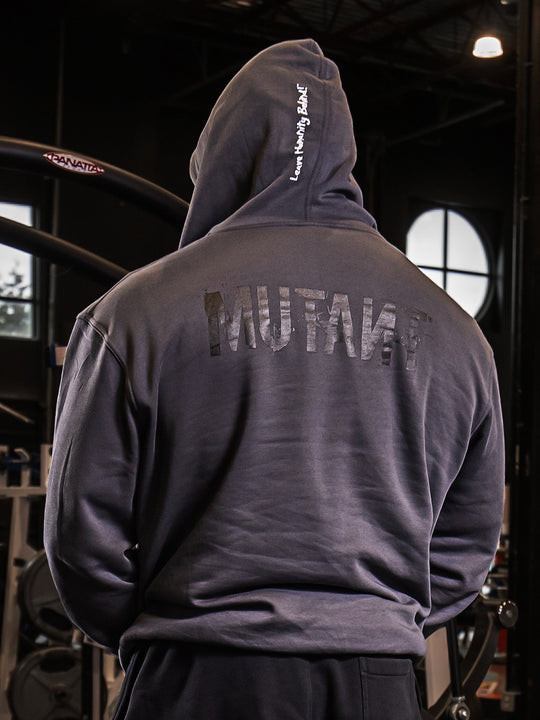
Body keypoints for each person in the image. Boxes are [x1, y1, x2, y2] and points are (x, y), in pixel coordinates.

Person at [44, 39, 505, 720]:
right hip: (375, 689)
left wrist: (167, 633)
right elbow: (467, 547)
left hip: (193, 678)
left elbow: (82, 544)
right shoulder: (457, 334)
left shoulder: (133, 314)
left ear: (221, 158)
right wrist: (371, 627)